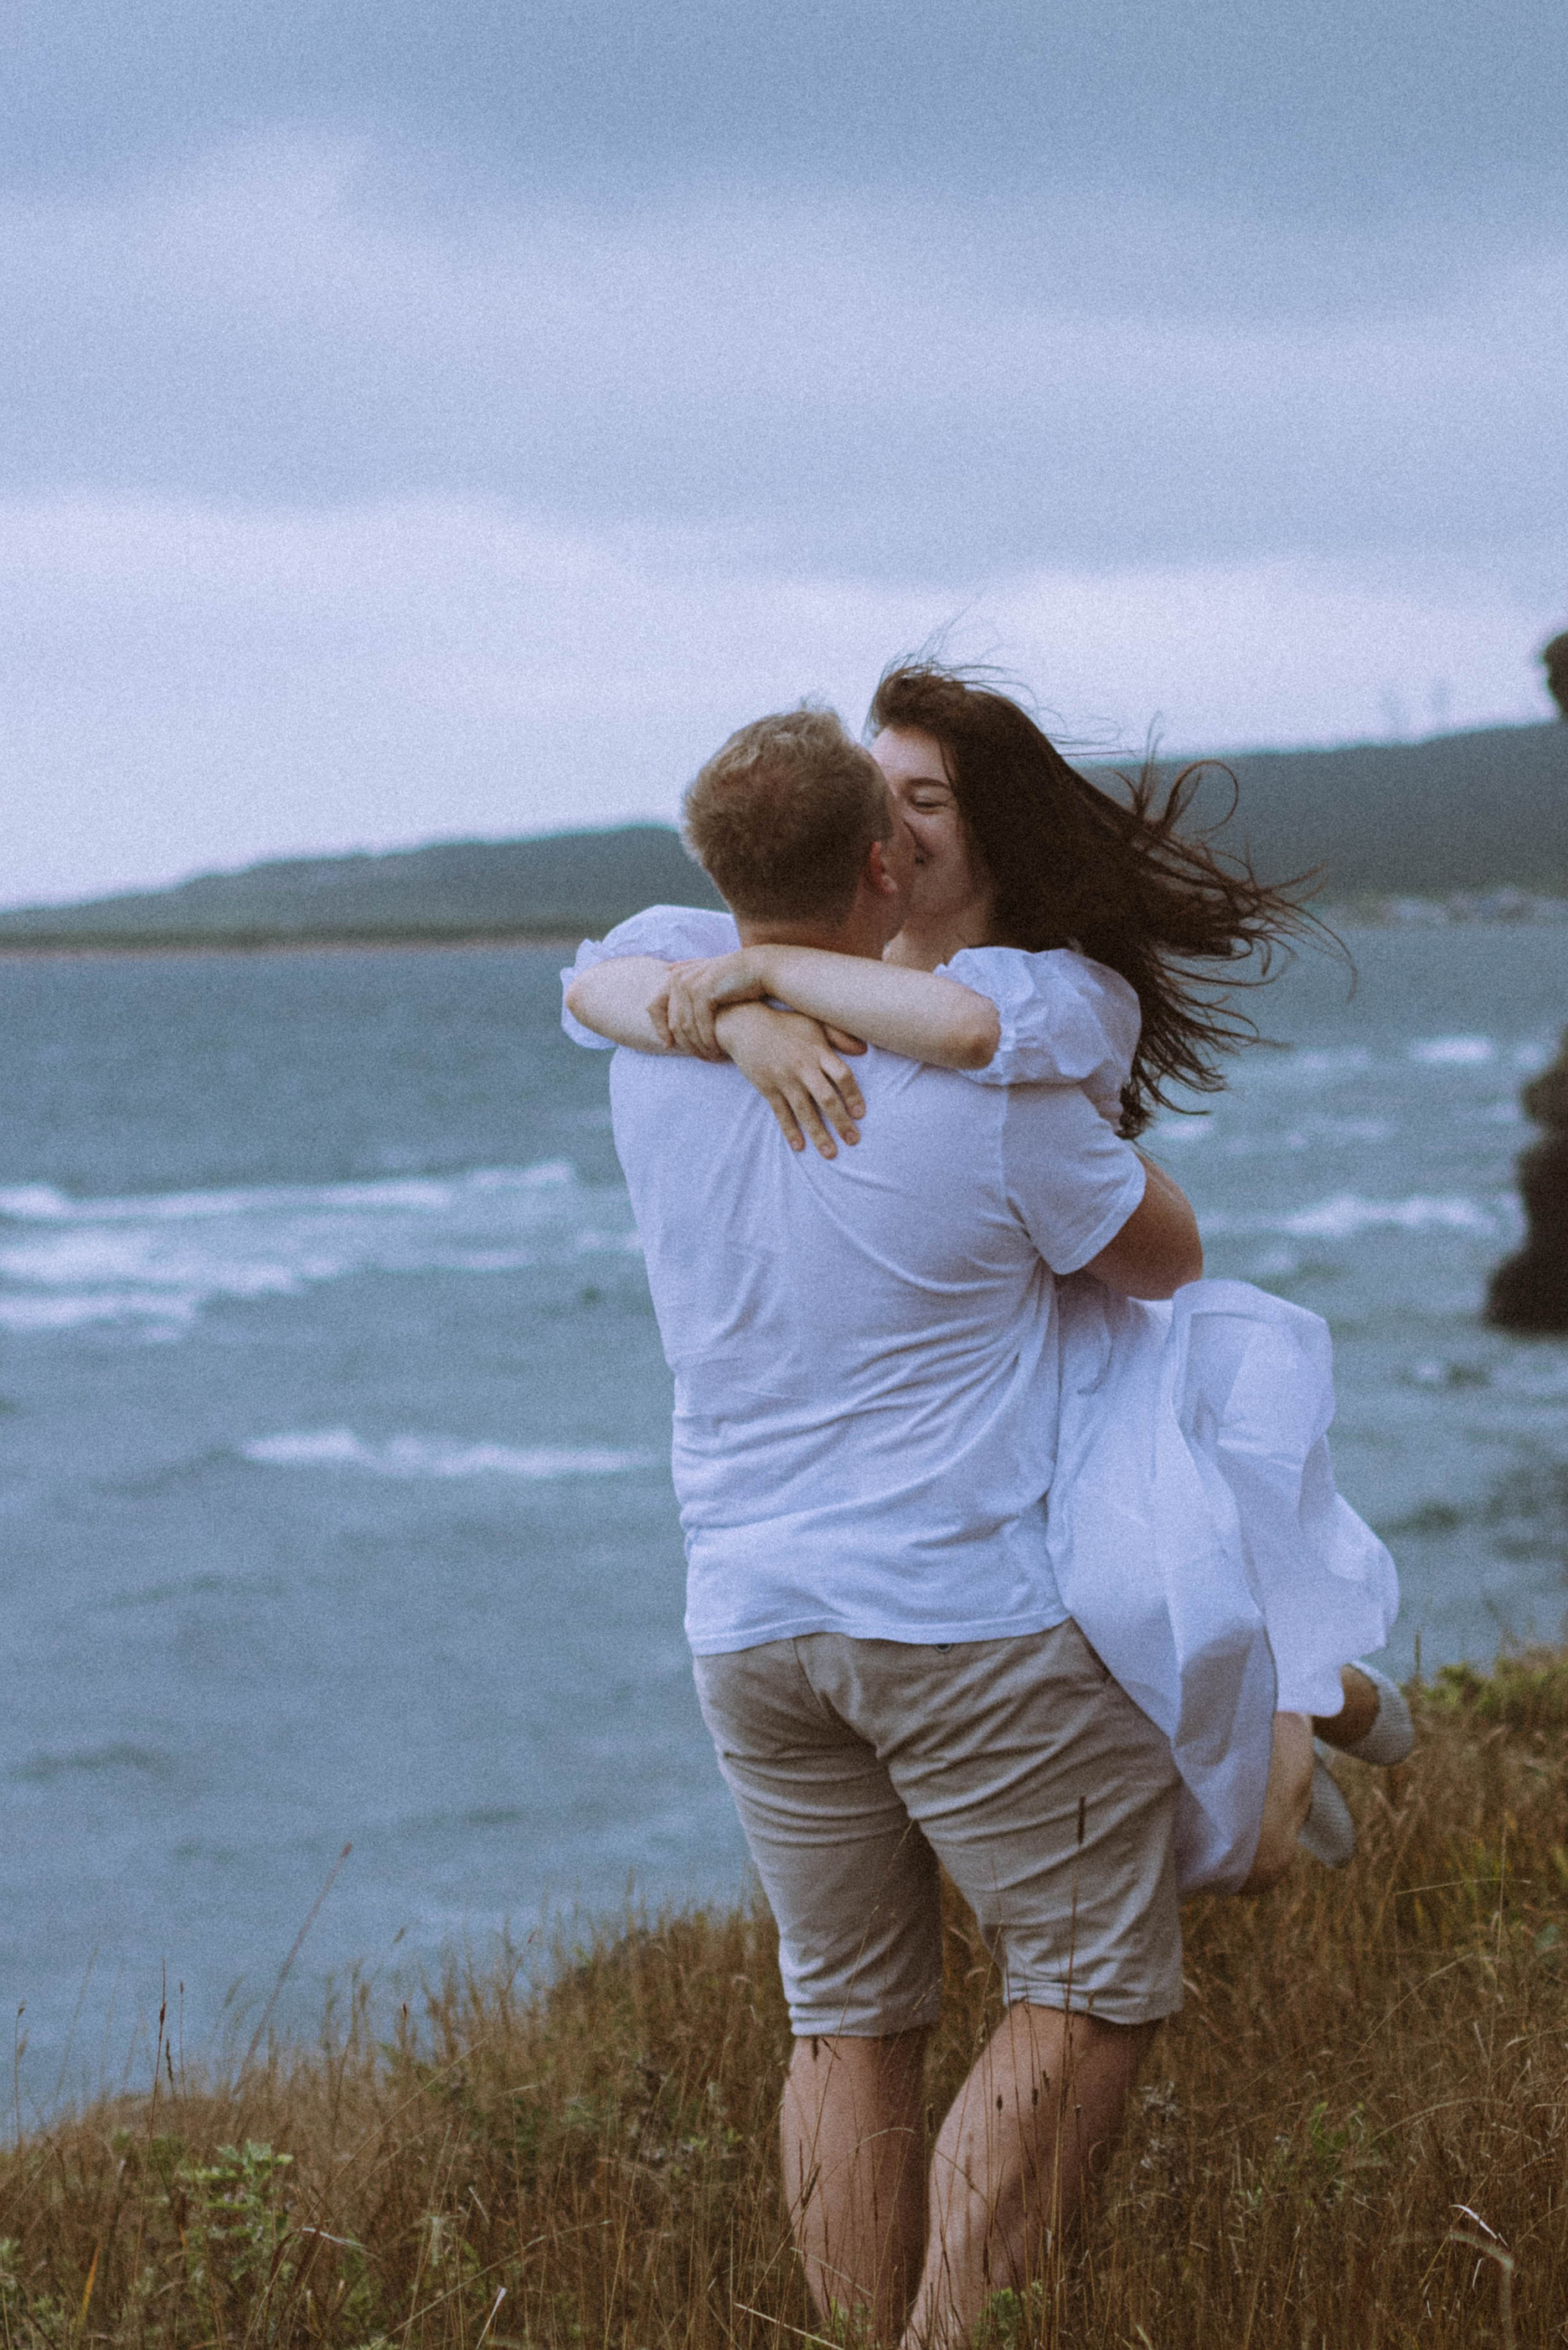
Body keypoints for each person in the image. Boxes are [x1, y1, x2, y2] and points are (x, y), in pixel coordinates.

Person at [563, 708, 1201, 2350]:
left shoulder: (657, 1043)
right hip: (948, 1615)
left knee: (844, 2020)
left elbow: (603, 977)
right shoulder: (997, 1097)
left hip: (745, 1622)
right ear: (871, 861)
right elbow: (1158, 1266)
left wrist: (741, 1012)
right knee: (1082, 1983)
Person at [573, 664, 1413, 1903]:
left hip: (1069, 1362)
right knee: (1127, 1690)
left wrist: (770, 984)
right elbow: (593, 980)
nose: (892, 819)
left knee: (1220, 1801)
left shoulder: (1039, 993)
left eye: (929, 798)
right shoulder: (734, 962)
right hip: (953, 1416)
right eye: (879, 788)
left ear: (992, 837)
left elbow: (971, 1045)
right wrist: (738, 1017)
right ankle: (1311, 1687)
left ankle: (1305, 1695)